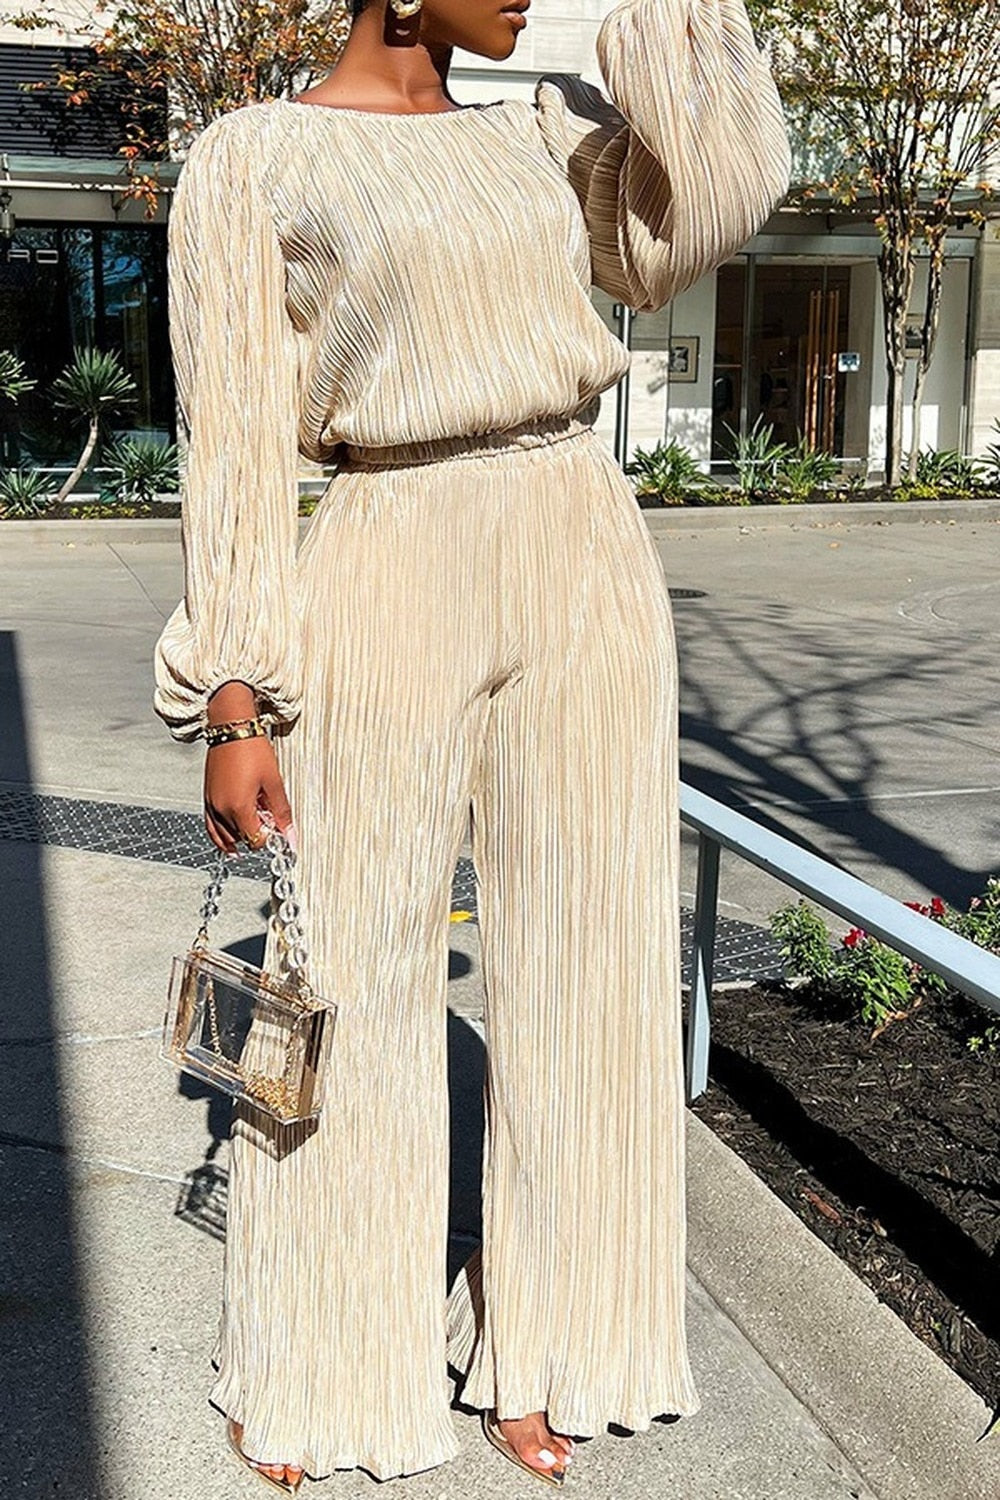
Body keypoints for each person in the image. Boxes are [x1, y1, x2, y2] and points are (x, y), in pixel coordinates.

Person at [153, 0, 791, 1488]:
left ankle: (557, 1342)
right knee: (356, 966)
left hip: (580, 535)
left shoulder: (543, 127)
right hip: (387, 542)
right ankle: (322, 1352)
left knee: (589, 959)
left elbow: (714, 206)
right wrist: (236, 694)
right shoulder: (253, 159)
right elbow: (236, 433)